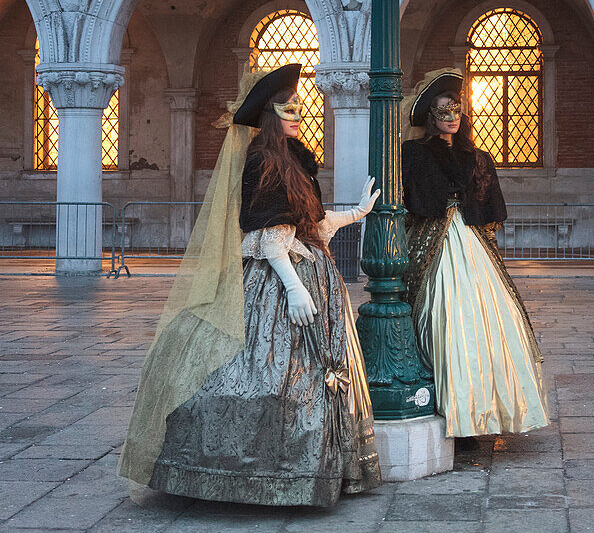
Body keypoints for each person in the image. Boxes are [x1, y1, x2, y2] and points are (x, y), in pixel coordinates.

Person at [119, 63, 381, 508]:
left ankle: (314, 470)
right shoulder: (262, 159)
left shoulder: (295, 157)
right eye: (289, 108)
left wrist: (356, 212)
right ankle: (257, 475)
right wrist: (294, 287)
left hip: (308, 272)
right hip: (277, 281)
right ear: (269, 115)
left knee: (309, 377)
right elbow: (267, 233)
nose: (299, 115)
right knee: (265, 373)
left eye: (300, 107)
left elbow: (308, 224)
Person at [401, 67, 549, 441]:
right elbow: (419, 200)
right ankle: (452, 414)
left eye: (456, 108)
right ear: (430, 116)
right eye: (442, 110)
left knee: (488, 320)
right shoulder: (415, 153)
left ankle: (486, 415)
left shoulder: (477, 157)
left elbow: (488, 207)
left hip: (471, 242)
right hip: (433, 242)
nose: (451, 117)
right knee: (446, 317)